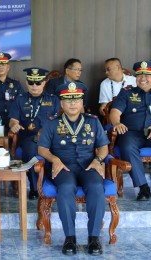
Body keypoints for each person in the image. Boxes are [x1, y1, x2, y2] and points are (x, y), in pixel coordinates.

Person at [38, 81, 109, 256]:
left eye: (76, 100)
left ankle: (94, 238)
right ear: (61, 103)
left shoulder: (92, 121)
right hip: (64, 166)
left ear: (82, 102)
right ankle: (70, 237)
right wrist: (54, 159)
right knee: (65, 188)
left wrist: (98, 159)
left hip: (88, 164)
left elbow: (103, 146)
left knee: (96, 187)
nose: (72, 104)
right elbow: (42, 149)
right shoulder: (52, 123)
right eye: (68, 100)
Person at [9, 67, 61, 199]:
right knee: (31, 151)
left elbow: (60, 120)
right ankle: (34, 188)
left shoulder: (54, 100)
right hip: (28, 137)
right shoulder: (19, 99)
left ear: (44, 82)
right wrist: (14, 125)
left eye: (38, 83)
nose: (34, 86)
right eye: (31, 83)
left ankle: (52, 183)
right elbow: (13, 120)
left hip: (50, 137)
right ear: (27, 83)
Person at [109, 60, 151, 201]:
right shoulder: (127, 93)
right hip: (133, 133)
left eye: (147, 75)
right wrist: (117, 122)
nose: (142, 79)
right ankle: (143, 187)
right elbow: (114, 111)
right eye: (139, 75)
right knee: (126, 145)